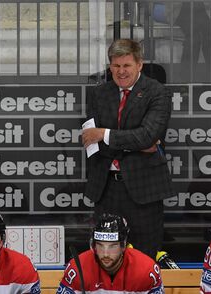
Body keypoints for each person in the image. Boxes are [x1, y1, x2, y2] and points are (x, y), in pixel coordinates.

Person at [82, 38, 174, 259]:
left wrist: (105, 134)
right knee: (105, 256)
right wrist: (137, 142)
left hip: (143, 190)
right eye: (116, 66)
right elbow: (90, 138)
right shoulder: (99, 93)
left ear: (139, 64)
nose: (121, 71)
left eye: (126, 66)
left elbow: (148, 136)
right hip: (106, 189)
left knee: (145, 257)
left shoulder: (157, 92)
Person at [56, 213, 164, 293]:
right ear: (93, 245)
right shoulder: (76, 269)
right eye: (100, 245)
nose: (106, 254)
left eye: (112, 246)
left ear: (123, 246)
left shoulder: (147, 270)